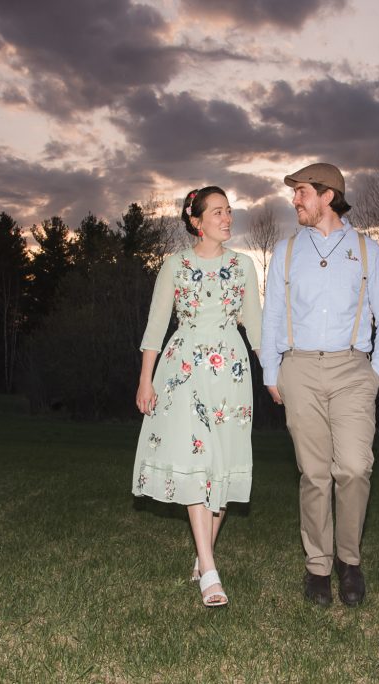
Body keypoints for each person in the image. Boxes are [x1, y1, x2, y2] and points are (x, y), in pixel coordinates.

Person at [260, 163, 379, 607]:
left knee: (355, 468)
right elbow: (272, 320)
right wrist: (271, 372)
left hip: (352, 370)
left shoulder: (366, 250)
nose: (295, 200)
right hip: (298, 369)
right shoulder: (286, 252)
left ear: (327, 196)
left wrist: (374, 373)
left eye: (301, 192)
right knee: (315, 474)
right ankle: (318, 568)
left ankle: (349, 561)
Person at [132, 186, 262, 608]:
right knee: (195, 460)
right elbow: (155, 326)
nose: (227, 218)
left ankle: (202, 555)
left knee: (220, 468)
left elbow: (255, 328)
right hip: (183, 372)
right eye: (219, 212)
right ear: (197, 221)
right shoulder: (175, 265)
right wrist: (145, 380)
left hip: (230, 377)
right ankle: (209, 569)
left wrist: (276, 375)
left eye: (230, 211)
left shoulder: (243, 266)